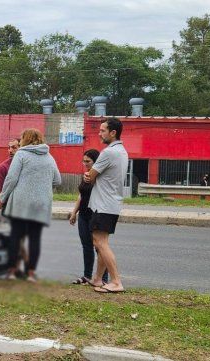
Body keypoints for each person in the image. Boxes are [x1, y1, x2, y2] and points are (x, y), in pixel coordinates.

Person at [0, 129, 61, 283]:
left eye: (21, 139)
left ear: (25, 139)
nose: (19, 142)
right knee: (35, 238)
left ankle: (12, 271)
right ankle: (31, 273)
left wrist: (2, 197)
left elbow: (11, 178)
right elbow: (57, 180)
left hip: (21, 203)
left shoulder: (21, 154)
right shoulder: (49, 156)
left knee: (15, 236)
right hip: (41, 204)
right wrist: (42, 187)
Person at [83, 117, 128, 293]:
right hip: (112, 203)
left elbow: (90, 176)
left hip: (103, 204)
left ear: (113, 132)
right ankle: (98, 279)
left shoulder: (108, 152)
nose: (99, 133)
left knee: (99, 241)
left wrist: (88, 175)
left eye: (102, 130)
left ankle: (116, 281)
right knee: (102, 242)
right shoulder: (122, 151)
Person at [0, 138, 28, 275]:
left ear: (21, 148)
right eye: (9, 147)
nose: (10, 150)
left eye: (14, 147)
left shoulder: (27, 166)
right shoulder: (3, 167)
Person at [68, 149, 108, 285]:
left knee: (99, 247)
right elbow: (81, 195)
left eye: (88, 161)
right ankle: (86, 276)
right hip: (83, 216)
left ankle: (103, 278)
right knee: (86, 246)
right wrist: (74, 213)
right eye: (84, 161)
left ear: (96, 162)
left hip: (96, 215)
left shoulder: (101, 177)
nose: (85, 163)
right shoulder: (85, 175)